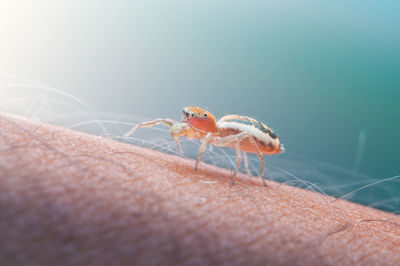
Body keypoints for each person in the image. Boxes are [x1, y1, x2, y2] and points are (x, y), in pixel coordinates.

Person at [0, 112, 399, 265]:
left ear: (204, 120)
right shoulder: (200, 127)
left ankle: (253, 174)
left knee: (240, 151)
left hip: (258, 139)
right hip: (248, 135)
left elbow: (239, 141)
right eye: (188, 118)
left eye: (194, 117)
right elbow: (184, 129)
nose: (189, 120)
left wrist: (213, 160)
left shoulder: (219, 131)